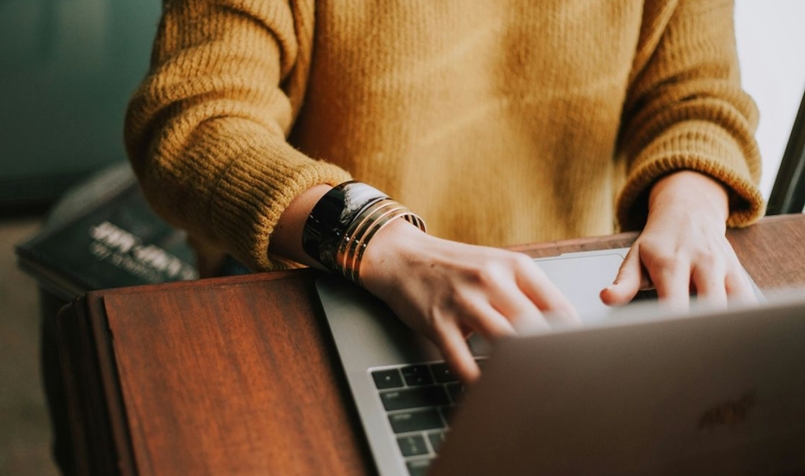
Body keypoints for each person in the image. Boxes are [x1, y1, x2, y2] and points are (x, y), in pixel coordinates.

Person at [124, 0, 764, 384]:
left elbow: (697, 97)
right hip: (325, 280)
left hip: (567, 303)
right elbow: (192, 120)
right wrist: (377, 240)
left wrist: (693, 202)